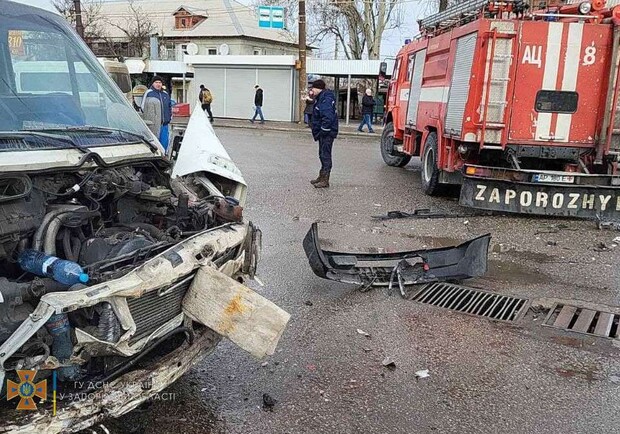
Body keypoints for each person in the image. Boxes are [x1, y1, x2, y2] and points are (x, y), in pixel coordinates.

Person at [310, 79, 338, 189]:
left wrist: (323, 130)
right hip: (323, 132)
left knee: (325, 155)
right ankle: (322, 176)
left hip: (326, 133)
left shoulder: (325, 99)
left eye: (313, 88)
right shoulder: (321, 98)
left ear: (318, 88)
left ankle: (325, 180)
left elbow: (327, 117)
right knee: (322, 154)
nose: (311, 90)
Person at [141, 76, 172, 150]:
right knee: (155, 143)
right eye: (156, 82)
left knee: (164, 143)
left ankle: (164, 156)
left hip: (164, 124)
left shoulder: (165, 94)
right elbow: (143, 107)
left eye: (160, 82)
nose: (158, 84)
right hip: (154, 124)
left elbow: (169, 106)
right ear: (153, 83)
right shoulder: (149, 93)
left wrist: (169, 116)